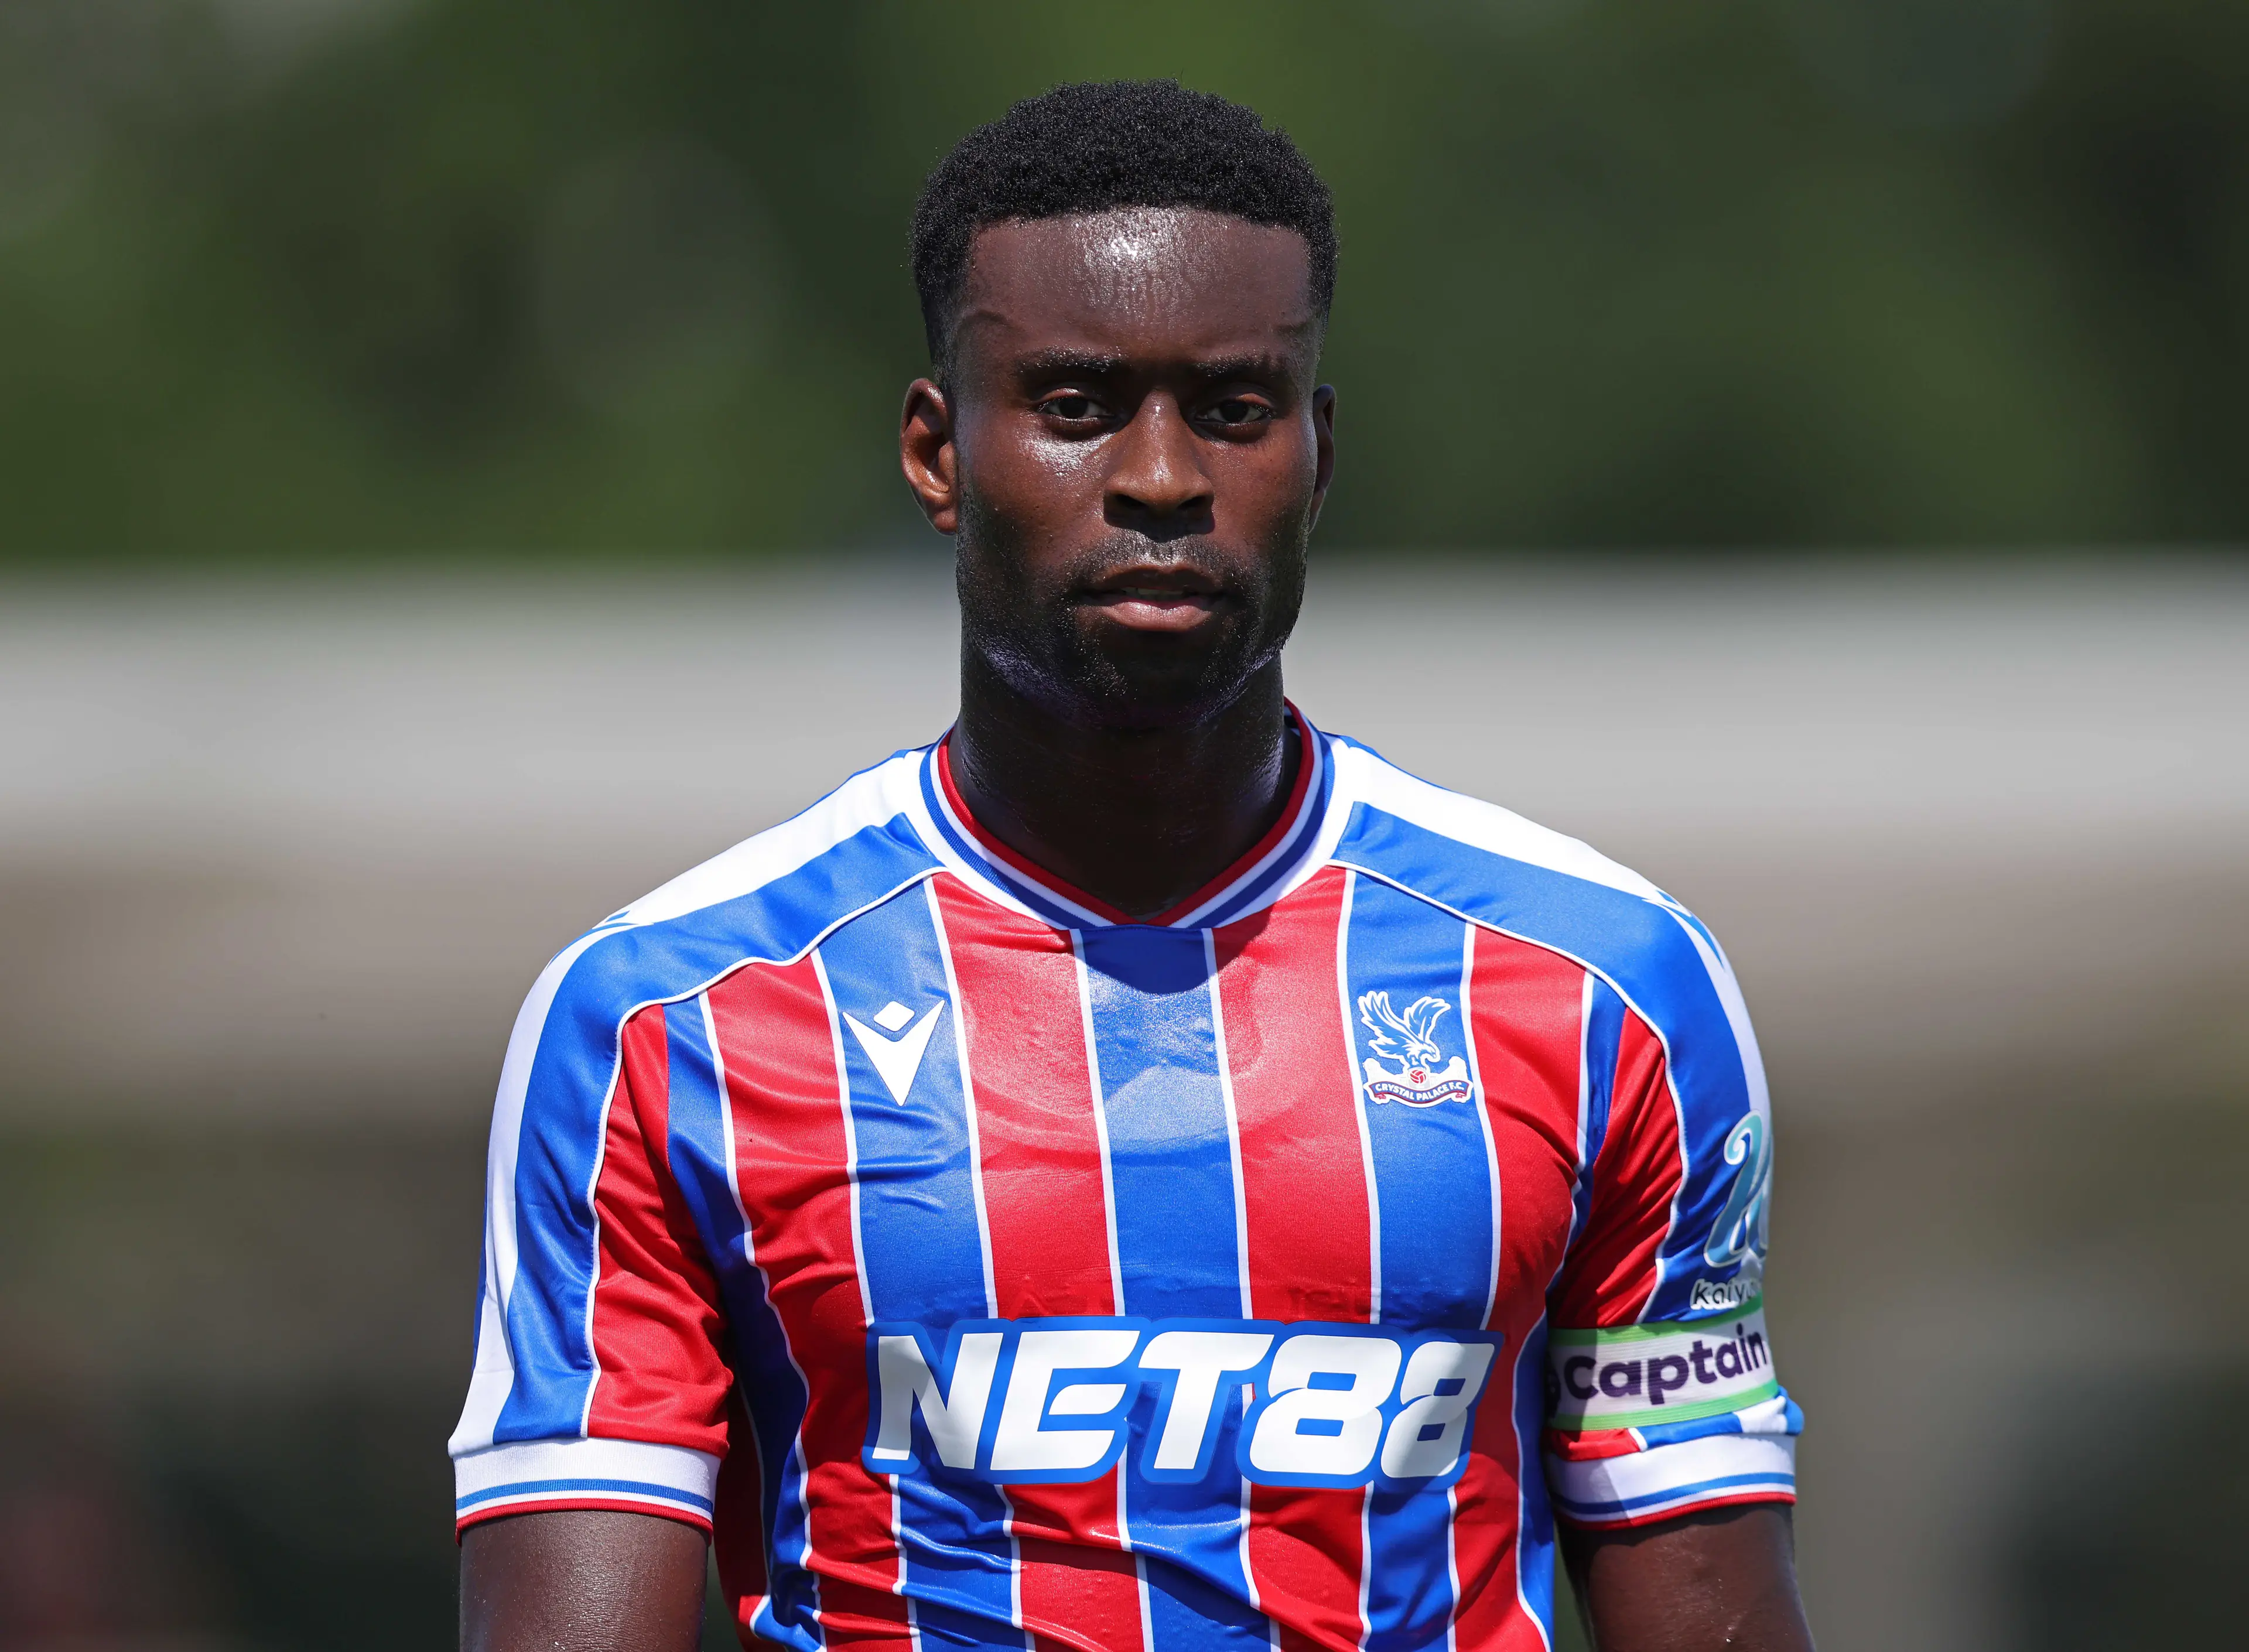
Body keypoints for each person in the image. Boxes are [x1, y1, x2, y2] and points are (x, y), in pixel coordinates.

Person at [453, 81, 1811, 1652]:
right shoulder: (664, 1023)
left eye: (1232, 408)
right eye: (1077, 403)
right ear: (938, 453)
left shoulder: (1607, 995)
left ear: (1317, 453)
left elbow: (1712, 1610)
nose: (1162, 476)